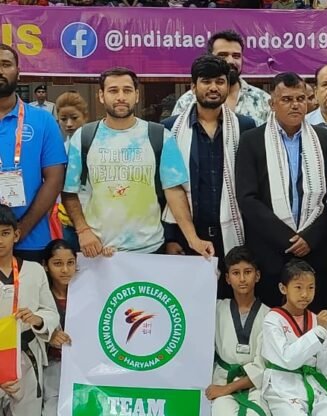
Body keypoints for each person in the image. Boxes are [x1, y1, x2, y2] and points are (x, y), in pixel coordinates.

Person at [62, 67, 197, 259]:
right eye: (113, 91)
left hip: (149, 247)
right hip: (97, 249)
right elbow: (69, 193)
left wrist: (192, 238)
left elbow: (174, 191)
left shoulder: (160, 136)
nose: (120, 97)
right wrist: (83, 231)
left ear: (137, 95)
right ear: (101, 96)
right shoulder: (83, 137)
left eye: (127, 90)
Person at [235, 72, 327, 311]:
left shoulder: (324, 139)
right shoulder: (252, 140)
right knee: (273, 320)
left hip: (315, 249)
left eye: (301, 99)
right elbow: (247, 198)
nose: (295, 105)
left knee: (313, 321)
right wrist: (288, 238)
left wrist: (310, 238)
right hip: (270, 251)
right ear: (272, 104)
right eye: (287, 99)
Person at [161, 55, 256, 298]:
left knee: (231, 302)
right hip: (186, 236)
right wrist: (171, 238)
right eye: (206, 81)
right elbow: (167, 187)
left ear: (228, 86)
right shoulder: (170, 128)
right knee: (188, 303)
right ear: (193, 87)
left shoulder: (245, 127)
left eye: (220, 82)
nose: (213, 87)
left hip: (235, 234)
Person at [261, 259, 327, 416]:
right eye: (298, 287)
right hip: (282, 386)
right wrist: (319, 332)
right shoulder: (272, 320)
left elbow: (325, 363)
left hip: (313, 383)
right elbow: (288, 359)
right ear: (283, 288)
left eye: (311, 288)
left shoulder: (316, 319)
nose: (305, 294)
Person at [0, 45, 67, 264]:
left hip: (31, 239)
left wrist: (23, 228)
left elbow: (55, 179)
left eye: (6, 64)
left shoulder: (42, 120)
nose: (0, 70)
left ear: (18, 72)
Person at [0, 205, 59, 416]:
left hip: (26, 353)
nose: (0, 240)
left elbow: (50, 312)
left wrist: (37, 319)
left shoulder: (34, 270)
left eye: (5, 233)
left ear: (16, 235)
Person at [207, 246, 272, 416]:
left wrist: (226, 390)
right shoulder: (216, 309)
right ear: (227, 278)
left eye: (248, 272)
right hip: (222, 378)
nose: (242, 279)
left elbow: (263, 366)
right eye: (236, 273)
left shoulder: (270, 316)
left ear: (257, 276)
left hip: (256, 384)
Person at [172, 30, 270, 126]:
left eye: (236, 56)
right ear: (209, 57)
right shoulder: (187, 101)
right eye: (223, 55)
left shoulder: (263, 101)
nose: (230, 61)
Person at [39, 239, 75, 416]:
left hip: (85, 367)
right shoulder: (40, 296)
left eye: (70, 263)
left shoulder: (90, 292)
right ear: (45, 265)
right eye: (58, 263)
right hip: (53, 366)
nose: (65, 270)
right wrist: (48, 336)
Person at [54, 91, 89, 250]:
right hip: (66, 218)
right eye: (63, 119)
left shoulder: (95, 144)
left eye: (74, 118)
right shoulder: (58, 148)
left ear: (85, 117)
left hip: (94, 218)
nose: (69, 124)